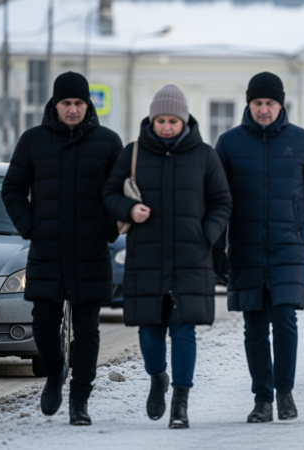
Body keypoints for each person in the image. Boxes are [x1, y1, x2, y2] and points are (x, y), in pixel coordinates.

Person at [213, 72, 304, 423]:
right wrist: (214, 247)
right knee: (254, 326)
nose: (264, 109)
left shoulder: (302, 141)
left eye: (270, 103)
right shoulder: (228, 144)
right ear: (248, 104)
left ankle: (284, 393)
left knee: (285, 320)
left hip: (289, 247)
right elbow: (214, 199)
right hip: (244, 249)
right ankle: (262, 400)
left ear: (281, 104)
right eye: (257, 103)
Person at [103, 84, 231, 429]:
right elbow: (109, 193)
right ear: (153, 119)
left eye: (173, 120)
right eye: (161, 119)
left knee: (184, 330)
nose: (167, 126)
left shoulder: (205, 155)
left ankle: (180, 402)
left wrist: (206, 234)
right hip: (147, 257)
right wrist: (129, 208)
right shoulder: (133, 153)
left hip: (191, 259)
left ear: (184, 120)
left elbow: (222, 202)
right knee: (150, 330)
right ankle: (157, 377)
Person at [2, 72, 123, 425]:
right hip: (47, 252)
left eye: (78, 103)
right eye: (66, 103)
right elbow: (11, 190)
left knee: (87, 331)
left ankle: (79, 401)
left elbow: (118, 193)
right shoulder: (33, 141)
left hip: (90, 253)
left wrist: (110, 227)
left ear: (88, 106)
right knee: (42, 325)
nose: (72, 109)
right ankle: (55, 372)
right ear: (54, 105)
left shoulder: (107, 142)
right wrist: (31, 226)